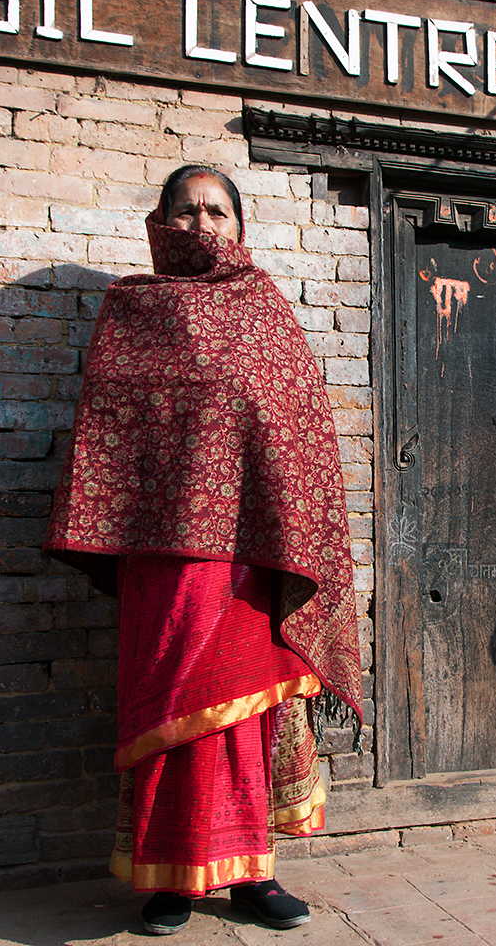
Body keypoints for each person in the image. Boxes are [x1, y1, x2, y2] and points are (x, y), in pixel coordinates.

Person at [44, 165, 362, 933]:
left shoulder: (265, 308)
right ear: (160, 223)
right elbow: (109, 445)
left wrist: (287, 529)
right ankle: (172, 879)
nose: (202, 224)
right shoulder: (131, 313)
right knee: (173, 708)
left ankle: (254, 873)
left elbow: (297, 436)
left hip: (252, 557)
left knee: (249, 718)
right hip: (165, 558)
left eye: (218, 211)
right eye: (185, 210)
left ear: (240, 228)